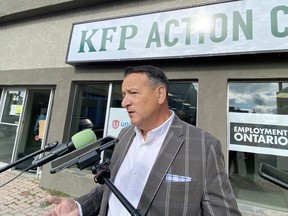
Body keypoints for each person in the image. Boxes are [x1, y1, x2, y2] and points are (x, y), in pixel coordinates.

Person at [45, 65, 242, 216]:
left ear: (160, 94)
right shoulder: (125, 135)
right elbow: (111, 188)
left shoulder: (203, 145)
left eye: (133, 93)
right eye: (123, 95)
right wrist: (79, 206)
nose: (124, 102)